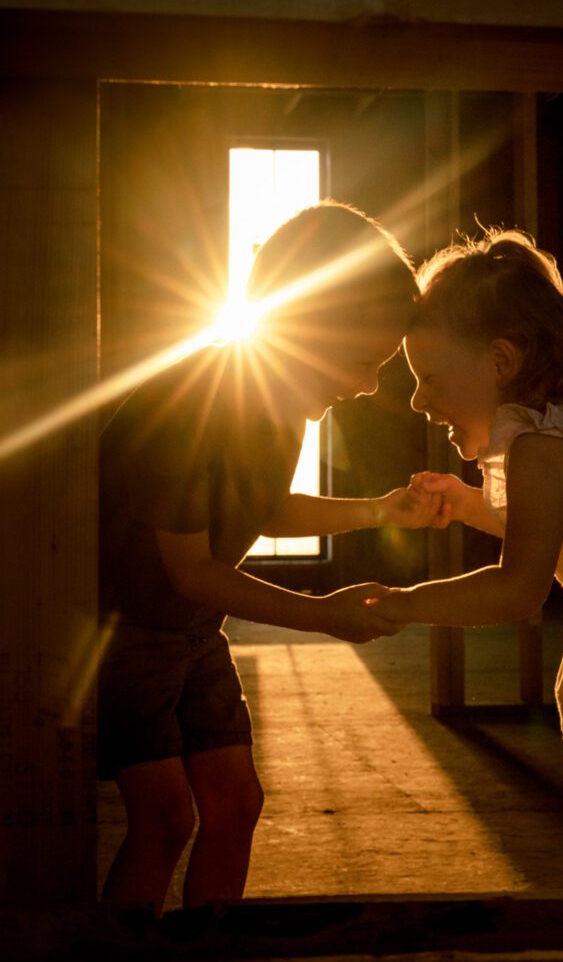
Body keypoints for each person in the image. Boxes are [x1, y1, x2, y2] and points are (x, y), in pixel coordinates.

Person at [98, 201, 443, 915]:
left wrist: (377, 509)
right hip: (124, 635)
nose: (368, 387)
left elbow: (258, 508)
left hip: (191, 630)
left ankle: (210, 953)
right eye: (363, 362)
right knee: (166, 818)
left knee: (235, 803)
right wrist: (321, 612)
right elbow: (189, 569)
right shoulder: (192, 399)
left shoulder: (276, 408)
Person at [359, 228, 563, 889]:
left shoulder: (539, 450)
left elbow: (515, 590)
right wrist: (467, 502)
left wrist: (399, 604)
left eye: (427, 378)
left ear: (500, 361)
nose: (418, 402)